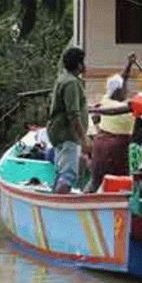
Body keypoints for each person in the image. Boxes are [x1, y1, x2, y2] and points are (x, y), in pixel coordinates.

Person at [86, 54, 136, 192]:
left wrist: (129, 65)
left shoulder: (105, 99)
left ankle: (85, 201)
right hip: (115, 149)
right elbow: (116, 110)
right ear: (119, 90)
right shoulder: (124, 107)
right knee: (119, 183)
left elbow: (121, 80)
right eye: (124, 89)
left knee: (96, 181)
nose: (126, 90)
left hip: (100, 144)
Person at [47, 47, 91, 193]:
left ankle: (56, 198)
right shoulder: (71, 83)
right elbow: (74, 115)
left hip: (60, 134)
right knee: (68, 175)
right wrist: (84, 139)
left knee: (63, 172)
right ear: (78, 64)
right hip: (67, 135)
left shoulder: (66, 79)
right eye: (82, 62)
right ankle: (58, 206)